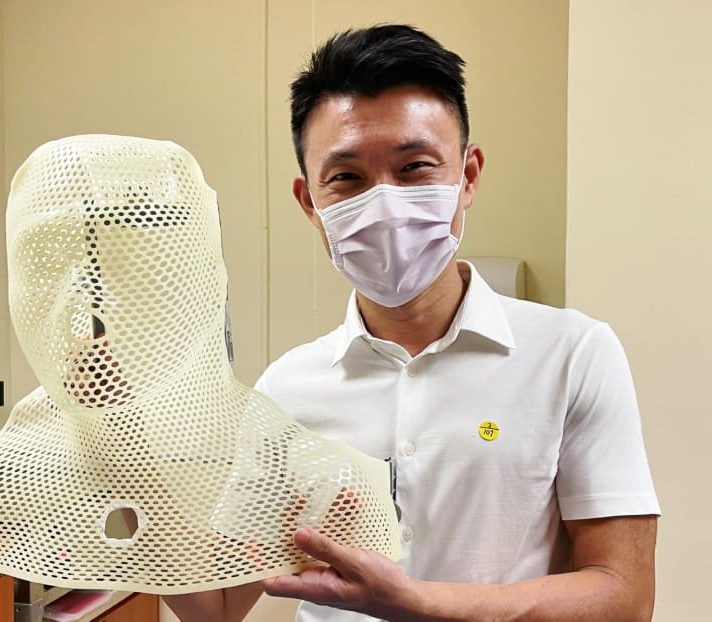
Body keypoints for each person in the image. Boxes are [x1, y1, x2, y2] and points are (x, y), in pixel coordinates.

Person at [164, 24, 659, 622]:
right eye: (346, 177)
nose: (384, 203)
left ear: (467, 176)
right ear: (309, 202)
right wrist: (117, 432)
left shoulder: (572, 354)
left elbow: (624, 595)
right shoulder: (285, 390)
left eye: (415, 167)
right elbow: (215, 609)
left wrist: (418, 601)